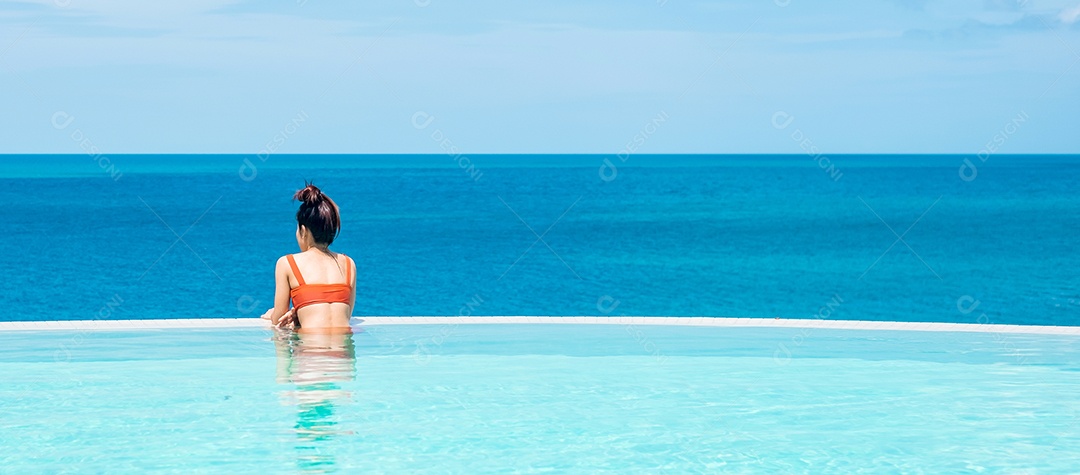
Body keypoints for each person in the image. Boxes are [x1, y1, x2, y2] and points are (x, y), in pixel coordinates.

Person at [261, 184, 356, 331]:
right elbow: (344, 315)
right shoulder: (349, 264)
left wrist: (273, 313)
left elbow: (278, 319)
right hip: (344, 353)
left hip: (309, 352)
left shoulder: (287, 263)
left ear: (303, 231)